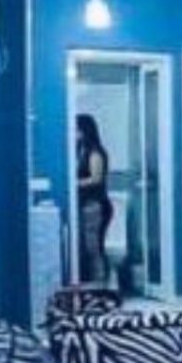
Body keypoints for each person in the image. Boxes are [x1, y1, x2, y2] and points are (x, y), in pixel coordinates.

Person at [75, 114, 113, 285]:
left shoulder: (95, 152)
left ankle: (101, 282)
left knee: (94, 246)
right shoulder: (81, 151)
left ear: (84, 131)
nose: (73, 133)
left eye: (76, 129)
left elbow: (96, 178)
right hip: (89, 204)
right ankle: (98, 281)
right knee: (92, 246)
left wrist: (74, 183)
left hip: (96, 205)